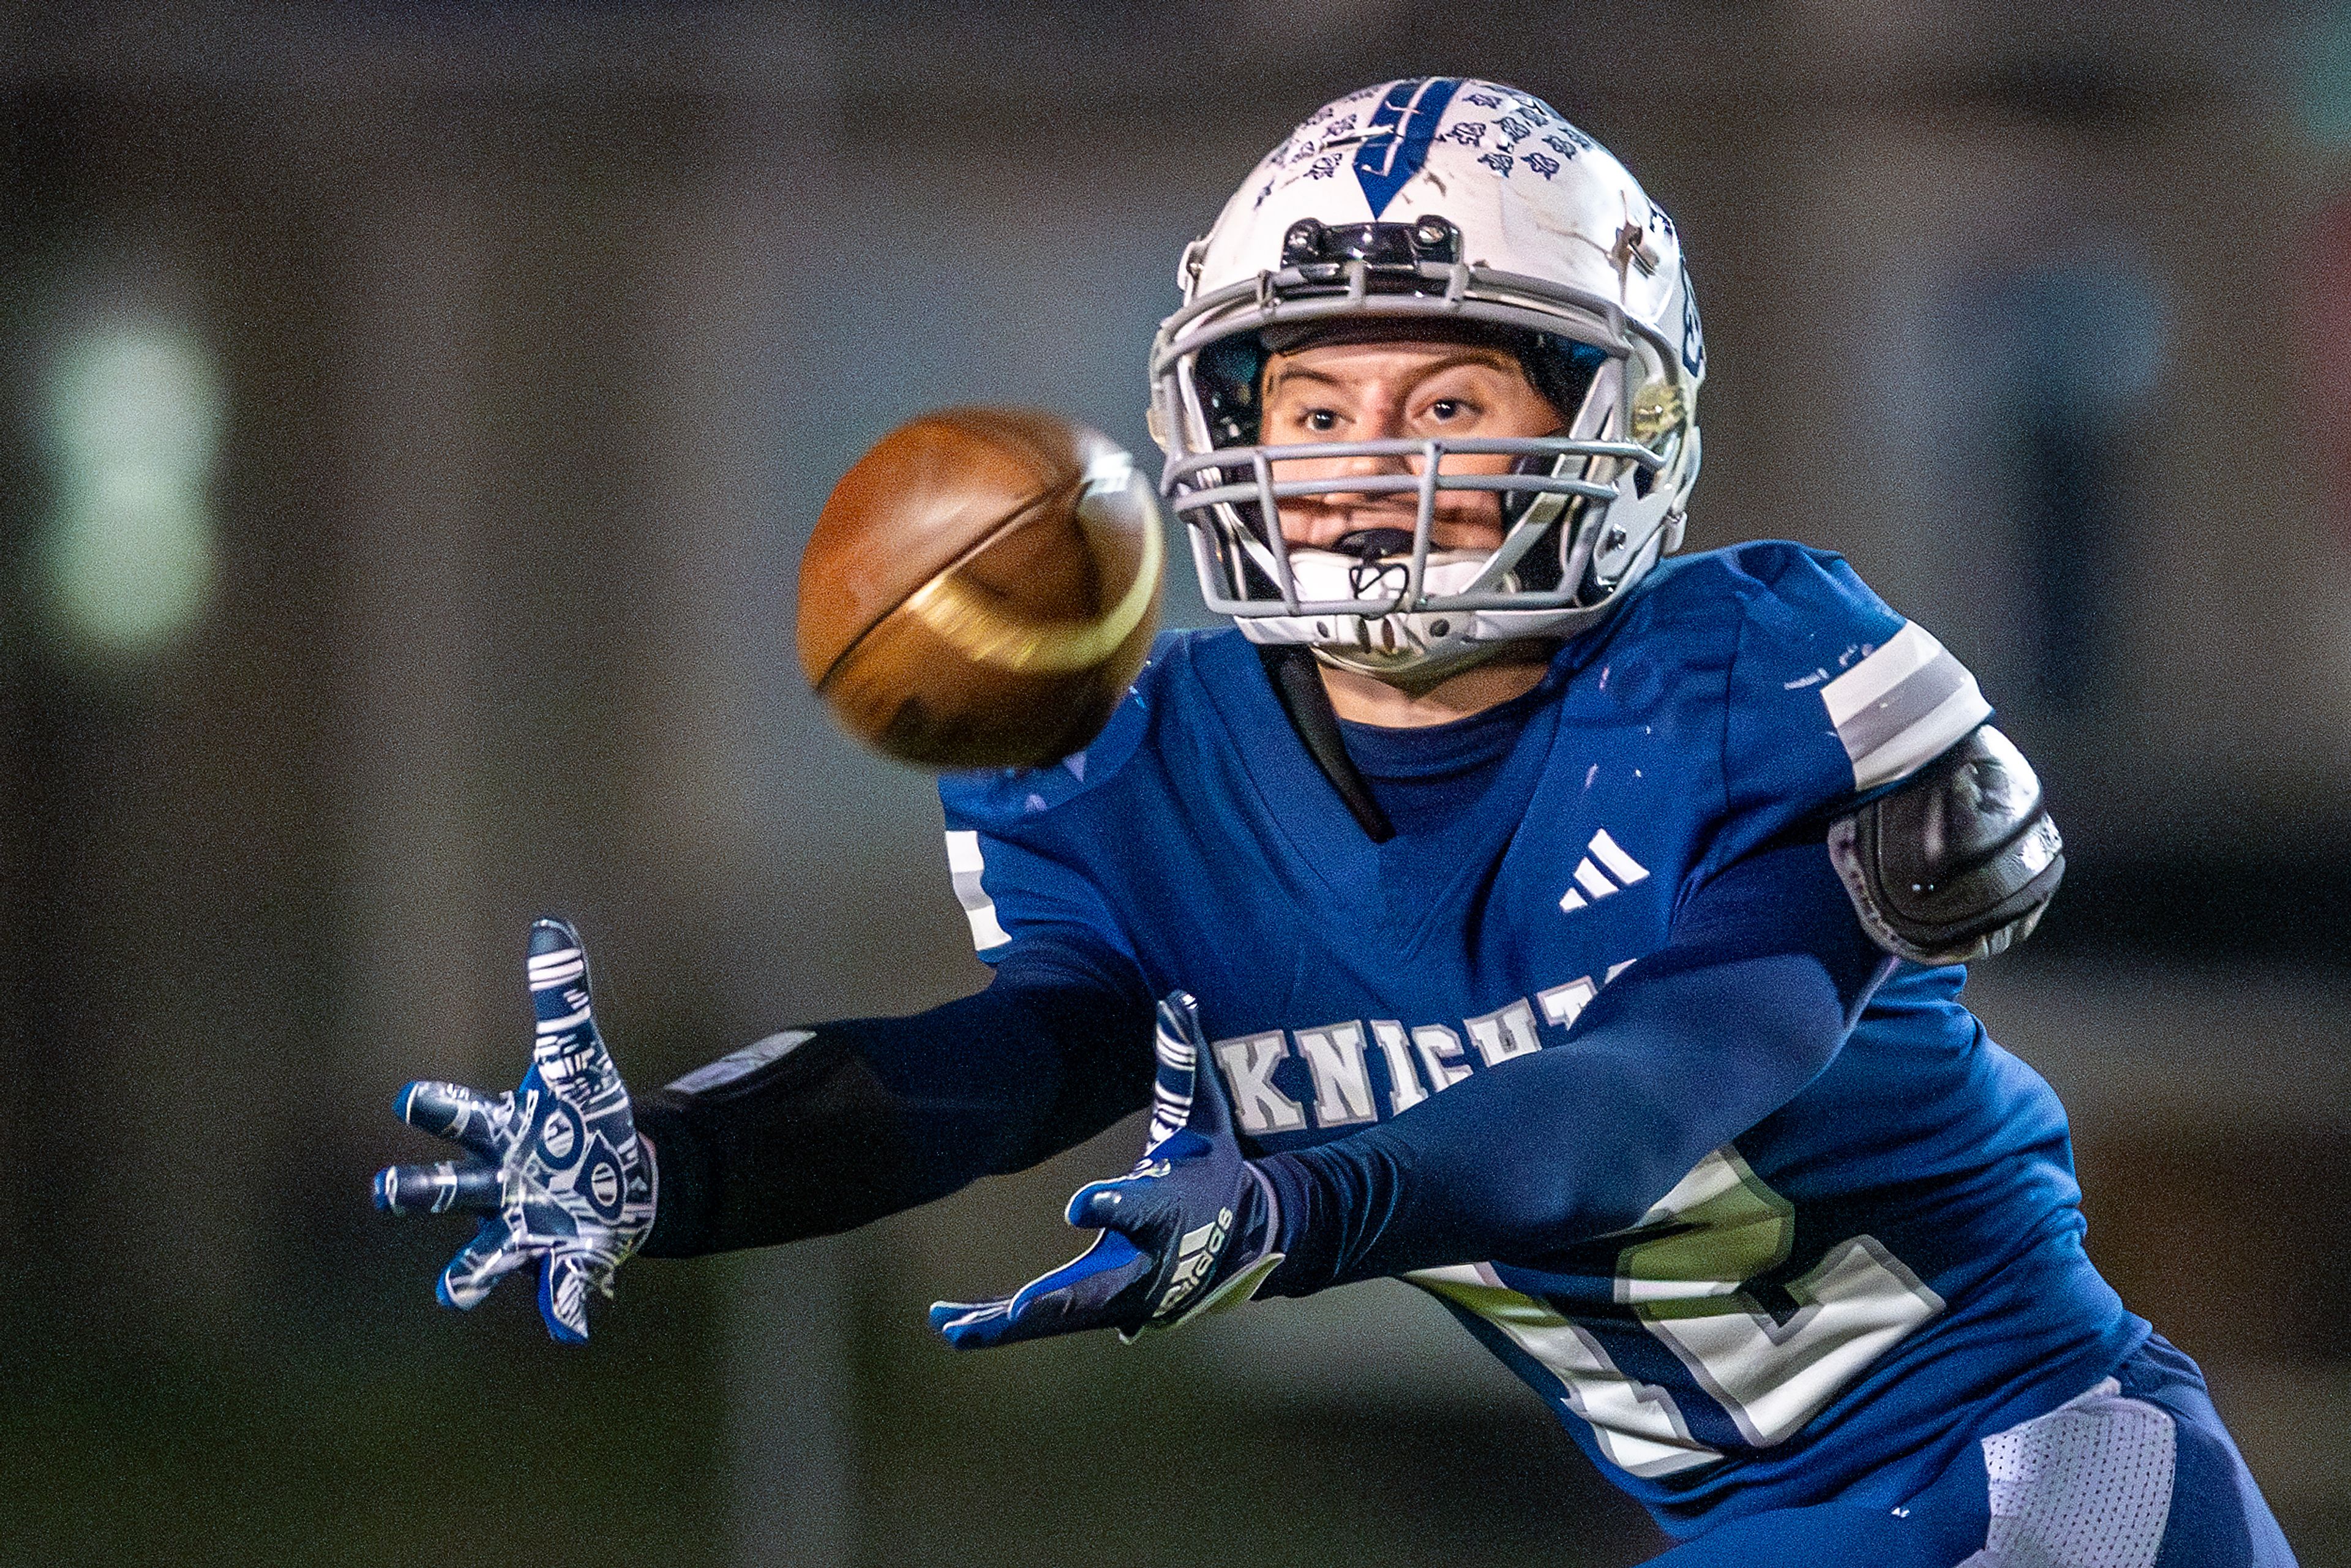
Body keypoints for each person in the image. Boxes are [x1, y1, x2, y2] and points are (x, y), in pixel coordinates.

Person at [373, 78, 2297, 1567]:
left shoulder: (1742, 678)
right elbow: (1017, 1059)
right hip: (1762, 1529)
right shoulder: (1133, 758)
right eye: (1315, 404)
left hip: (2033, 1469)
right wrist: (686, 1160)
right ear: (1228, 428)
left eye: (1450, 393)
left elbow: (1641, 1097)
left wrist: (1307, 1201)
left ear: (1613, 421)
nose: (1375, 465)